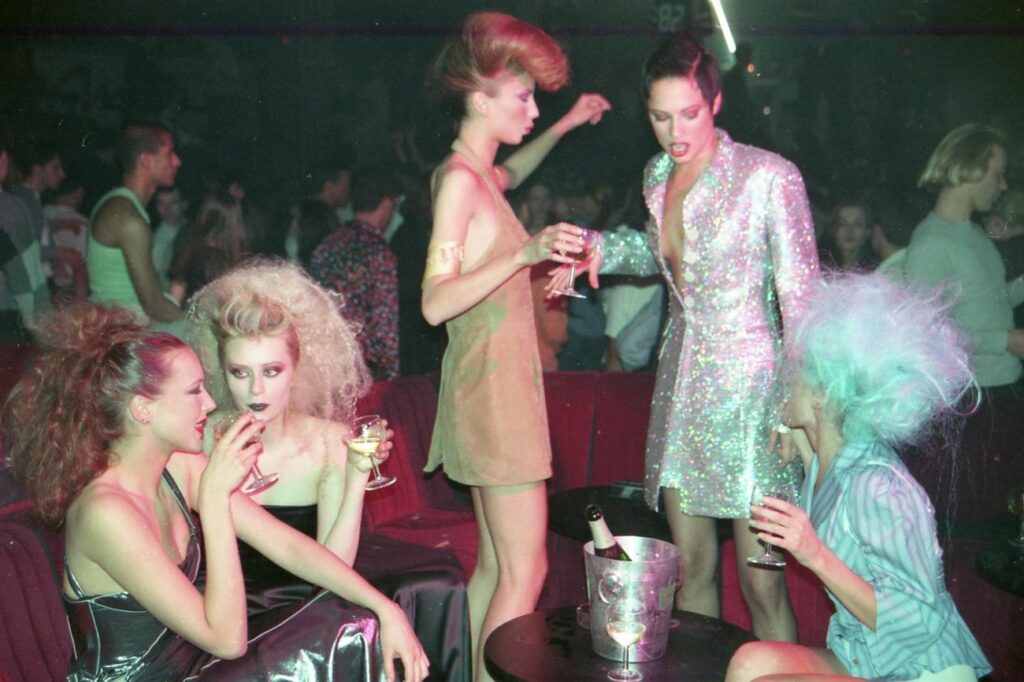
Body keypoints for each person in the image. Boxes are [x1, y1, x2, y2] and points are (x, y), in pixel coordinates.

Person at [3, 303, 428, 681]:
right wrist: (214, 502)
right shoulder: (105, 511)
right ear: (143, 409)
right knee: (349, 636)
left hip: (194, 663)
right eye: (194, 391)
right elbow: (227, 641)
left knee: (355, 623)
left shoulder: (178, 467)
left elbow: (288, 545)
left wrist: (385, 607)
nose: (209, 403)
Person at [579, 34, 820, 641]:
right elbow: (666, 258)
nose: (675, 132)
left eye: (689, 113)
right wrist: (599, 248)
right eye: (660, 116)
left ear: (715, 102)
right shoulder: (657, 175)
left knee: (763, 581)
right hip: (683, 392)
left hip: (755, 396)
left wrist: (795, 406)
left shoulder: (768, 176)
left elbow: (803, 299)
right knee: (691, 572)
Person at [421, 11, 610, 679]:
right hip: (495, 395)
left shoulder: (475, 174)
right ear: (481, 99)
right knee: (523, 572)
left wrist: (567, 123)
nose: (533, 110)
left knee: (498, 569)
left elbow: (514, 171)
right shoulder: (460, 182)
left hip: (490, 388)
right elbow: (434, 301)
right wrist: (525, 253)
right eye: (524, 98)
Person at [188, 259, 470, 680]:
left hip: (303, 613)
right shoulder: (201, 439)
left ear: (296, 368)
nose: (255, 390)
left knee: (375, 620)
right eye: (240, 373)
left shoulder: (328, 443)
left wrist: (356, 478)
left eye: (271, 371)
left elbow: (333, 569)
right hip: (221, 620)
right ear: (222, 371)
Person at [724, 273, 991, 682]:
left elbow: (919, 620)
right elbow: (794, 427)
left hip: (923, 670)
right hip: (866, 657)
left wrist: (815, 554)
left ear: (824, 393)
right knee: (750, 661)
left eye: (796, 374)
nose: (785, 382)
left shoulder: (878, 486)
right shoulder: (826, 459)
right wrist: (789, 427)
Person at [905, 124, 1022, 390]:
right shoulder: (931, 243)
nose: (1003, 185)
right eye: (998, 175)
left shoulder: (974, 233)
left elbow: (992, 301)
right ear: (970, 168)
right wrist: (1006, 341)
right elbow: (926, 333)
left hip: (1006, 384)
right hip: (974, 394)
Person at [87, 121, 187, 330]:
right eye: (170, 153)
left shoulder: (120, 204)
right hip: (120, 333)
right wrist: (203, 330)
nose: (177, 161)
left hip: (123, 327)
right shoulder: (128, 218)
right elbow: (155, 307)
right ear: (145, 161)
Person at [311, 167, 402, 381]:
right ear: (386, 203)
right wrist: (391, 378)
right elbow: (384, 321)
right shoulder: (379, 252)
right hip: (365, 368)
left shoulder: (328, 244)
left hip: (329, 359)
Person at [0, 136, 51, 343]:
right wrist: (47, 340)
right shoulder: (9, 208)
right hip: (7, 322)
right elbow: (29, 285)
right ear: (3, 161)